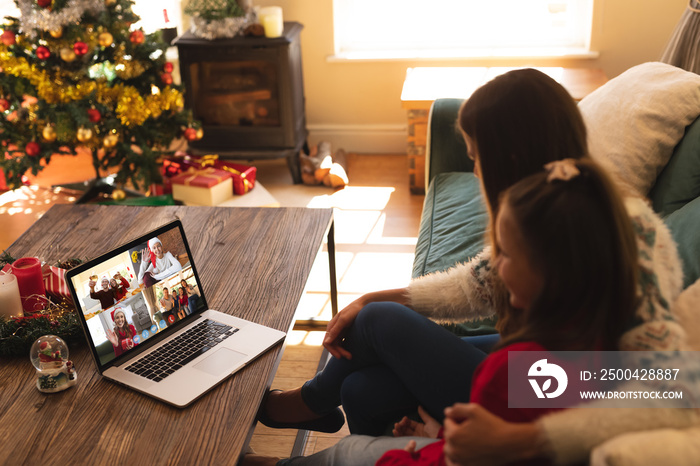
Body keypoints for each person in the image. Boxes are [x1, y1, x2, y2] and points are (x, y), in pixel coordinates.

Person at [258, 69, 686, 439]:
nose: (476, 170)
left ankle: (312, 402)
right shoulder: (550, 206)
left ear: (512, 155)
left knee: (376, 323)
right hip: (538, 363)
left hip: (555, 388)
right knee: (360, 390)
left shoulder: (626, 229)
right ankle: (351, 422)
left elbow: (656, 370)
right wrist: (369, 297)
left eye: (477, 157)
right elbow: (473, 286)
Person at [244, 159, 641, 466]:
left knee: (376, 327)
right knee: (358, 388)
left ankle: (306, 413)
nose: (495, 269)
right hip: (551, 375)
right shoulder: (594, 279)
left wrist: (447, 443)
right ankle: (316, 403)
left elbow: (678, 382)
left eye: (505, 255)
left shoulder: (509, 372)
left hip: (539, 381)